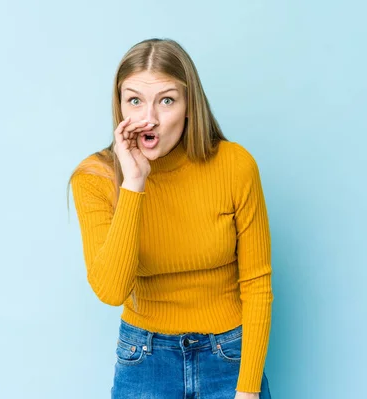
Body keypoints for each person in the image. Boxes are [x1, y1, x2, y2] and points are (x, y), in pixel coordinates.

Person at [68, 38, 273, 399]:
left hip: (230, 357)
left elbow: (257, 285)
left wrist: (248, 389)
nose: (149, 118)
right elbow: (112, 290)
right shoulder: (95, 178)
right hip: (144, 360)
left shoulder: (235, 165)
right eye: (135, 100)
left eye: (166, 100)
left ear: (189, 105)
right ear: (119, 107)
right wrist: (133, 183)